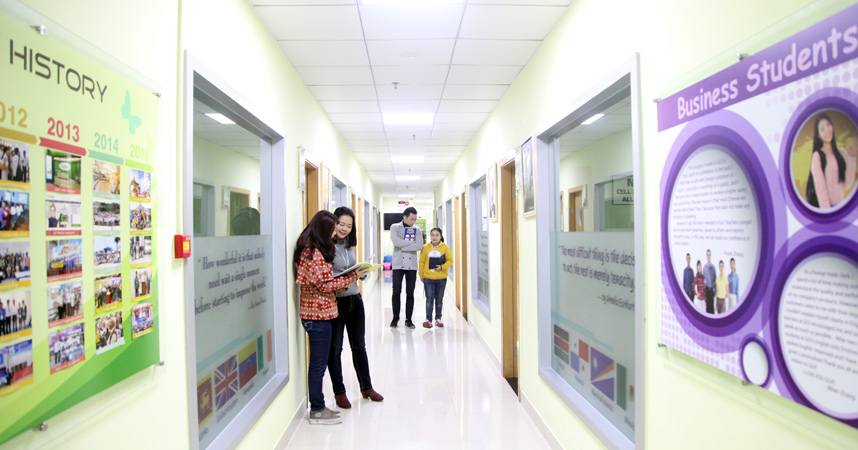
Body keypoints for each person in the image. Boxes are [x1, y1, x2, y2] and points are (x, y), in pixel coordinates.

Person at [293, 210, 369, 425]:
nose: (337, 232)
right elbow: (324, 285)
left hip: (323, 311)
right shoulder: (314, 252)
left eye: (347, 226)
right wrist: (353, 277)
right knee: (319, 364)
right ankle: (317, 409)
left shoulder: (315, 248)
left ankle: (320, 406)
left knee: (324, 361)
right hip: (317, 314)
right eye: (335, 227)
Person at [327, 207, 383, 410]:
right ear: (333, 223)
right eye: (341, 224)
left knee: (359, 346)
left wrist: (362, 272)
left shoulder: (349, 245)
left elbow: (351, 270)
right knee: (335, 349)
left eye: (349, 226)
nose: (344, 229)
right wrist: (349, 276)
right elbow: (327, 278)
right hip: (336, 301)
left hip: (355, 299)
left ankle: (367, 388)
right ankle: (339, 392)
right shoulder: (326, 246)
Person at [805, 113, 858, 209]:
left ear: (832, 126)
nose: (827, 130)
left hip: (840, 206)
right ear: (818, 135)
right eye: (822, 129)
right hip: (827, 208)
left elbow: (846, 184)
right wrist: (828, 213)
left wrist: (852, 157)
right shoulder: (817, 156)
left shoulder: (841, 153)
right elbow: (820, 188)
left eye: (828, 125)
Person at [389, 206, 423, 328]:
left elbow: (419, 246)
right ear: (404, 217)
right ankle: (395, 317)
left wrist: (402, 245)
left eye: (415, 219)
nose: (413, 221)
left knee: (410, 293)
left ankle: (408, 319)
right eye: (411, 219)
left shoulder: (417, 230)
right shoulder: (395, 227)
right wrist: (411, 243)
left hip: (411, 266)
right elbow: (396, 242)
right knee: (396, 291)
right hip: (398, 264)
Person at [419, 227, 453, 328]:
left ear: (441, 236)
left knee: (439, 300)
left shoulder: (445, 248)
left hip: (441, 278)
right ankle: (428, 320)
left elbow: (450, 261)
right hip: (428, 278)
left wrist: (442, 267)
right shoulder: (425, 247)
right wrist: (421, 275)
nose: (434, 237)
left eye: (437, 235)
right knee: (429, 299)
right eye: (432, 235)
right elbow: (421, 262)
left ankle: (438, 319)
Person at [703, 250, 716, 314]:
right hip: (707, 290)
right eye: (707, 255)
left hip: (712, 291)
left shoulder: (713, 268)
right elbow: (703, 281)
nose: (708, 256)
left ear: (711, 256)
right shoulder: (704, 268)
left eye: (709, 255)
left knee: (712, 310)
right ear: (706, 256)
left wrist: (715, 293)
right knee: (707, 310)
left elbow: (715, 281)